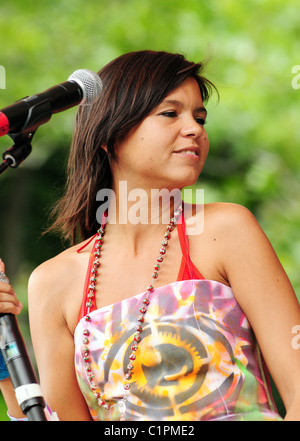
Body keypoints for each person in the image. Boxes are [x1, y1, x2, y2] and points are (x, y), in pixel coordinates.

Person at [1, 50, 300, 421]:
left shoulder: (227, 231)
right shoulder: (53, 282)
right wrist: (3, 359)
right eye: (171, 113)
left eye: (200, 117)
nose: (195, 129)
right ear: (110, 135)